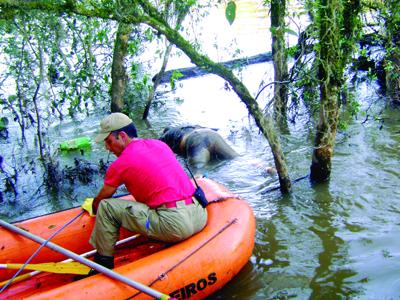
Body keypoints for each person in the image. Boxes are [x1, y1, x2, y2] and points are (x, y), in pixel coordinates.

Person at [87, 112, 208, 271]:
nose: (107, 148)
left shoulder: (121, 164)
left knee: (106, 207)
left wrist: (93, 206)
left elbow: (100, 203)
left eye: (109, 142)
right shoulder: (160, 145)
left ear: (122, 136)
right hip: (199, 215)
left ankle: (102, 264)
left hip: (174, 225)